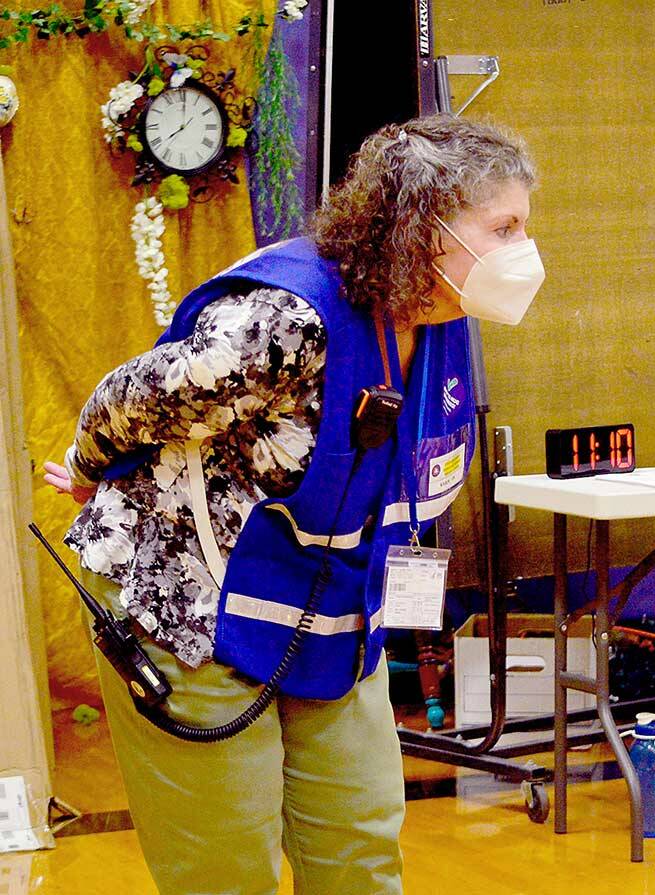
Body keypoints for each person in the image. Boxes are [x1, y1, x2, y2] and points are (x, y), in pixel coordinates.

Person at [40, 114, 543, 895]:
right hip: (187, 596)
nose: (523, 250)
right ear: (422, 225)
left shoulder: (443, 318)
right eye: (504, 227)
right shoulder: (284, 321)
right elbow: (131, 397)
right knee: (225, 867)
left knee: (359, 849)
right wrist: (87, 465)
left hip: (329, 603)